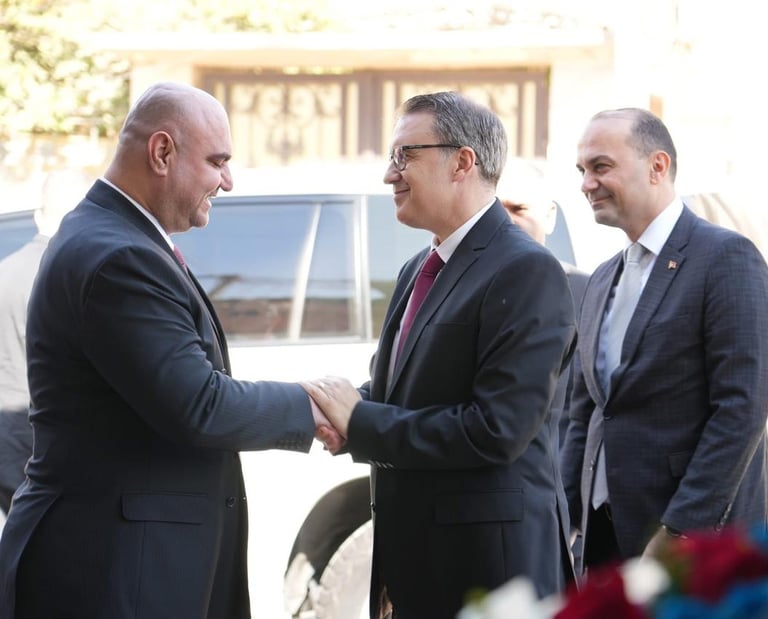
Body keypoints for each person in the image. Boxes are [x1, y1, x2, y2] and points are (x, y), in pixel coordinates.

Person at [0, 82, 341, 619]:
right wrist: (316, 402)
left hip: (123, 560)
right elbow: (198, 404)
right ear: (161, 152)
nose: (228, 181)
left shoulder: (115, 236)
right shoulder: (117, 254)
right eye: (217, 161)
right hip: (113, 570)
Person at [306, 91, 577, 619]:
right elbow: (399, 392)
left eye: (404, 155)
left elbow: (496, 428)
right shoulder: (417, 268)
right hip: (418, 563)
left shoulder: (525, 269)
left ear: (462, 162)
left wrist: (360, 421)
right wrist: (329, 409)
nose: (389, 173)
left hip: (488, 577)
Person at [560, 107, 768, 576]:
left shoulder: (726, 258)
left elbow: (742, 408)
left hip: (692, 549)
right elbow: (585, 413)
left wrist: (679, 531)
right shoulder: (602, 278)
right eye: (581, 170)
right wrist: (566, 517)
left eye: (601, 166)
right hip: (603, 542)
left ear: (657, 166)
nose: (586, 184)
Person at [0, 169, 91, 517]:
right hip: (48, 442)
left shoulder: (6, 271)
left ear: (38, 216)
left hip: (8, 439)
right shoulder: (75, 273)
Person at [496, 158, 589, 450]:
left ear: (549, 216)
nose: (505, 220)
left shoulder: (588, 293)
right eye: (495, 210)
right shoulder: (460, 288)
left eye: (518, 209)